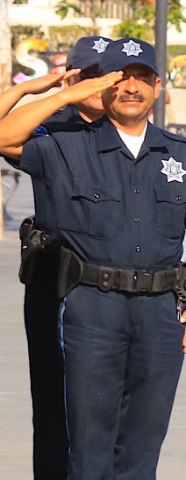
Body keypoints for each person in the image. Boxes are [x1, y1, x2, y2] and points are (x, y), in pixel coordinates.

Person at [0, 37, 186, 479]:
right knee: (87, 441)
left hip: (161, 312)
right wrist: (59, 92)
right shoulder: (65, 144)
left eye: (141, 79)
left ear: (157, 87)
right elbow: (4, 136)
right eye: (120, 79)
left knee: (145, 439)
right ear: (102, 89)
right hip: (91, 308)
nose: (131, 88)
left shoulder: (181, 153)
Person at [0, 36, 113, 480]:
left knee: (105, 409)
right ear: (77, 78)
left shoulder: (127, 127)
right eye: (92, 77)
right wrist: (35, 90)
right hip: (56, 284)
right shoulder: (53, 125)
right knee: (52, 402)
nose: (102, 87)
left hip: (112, 290)